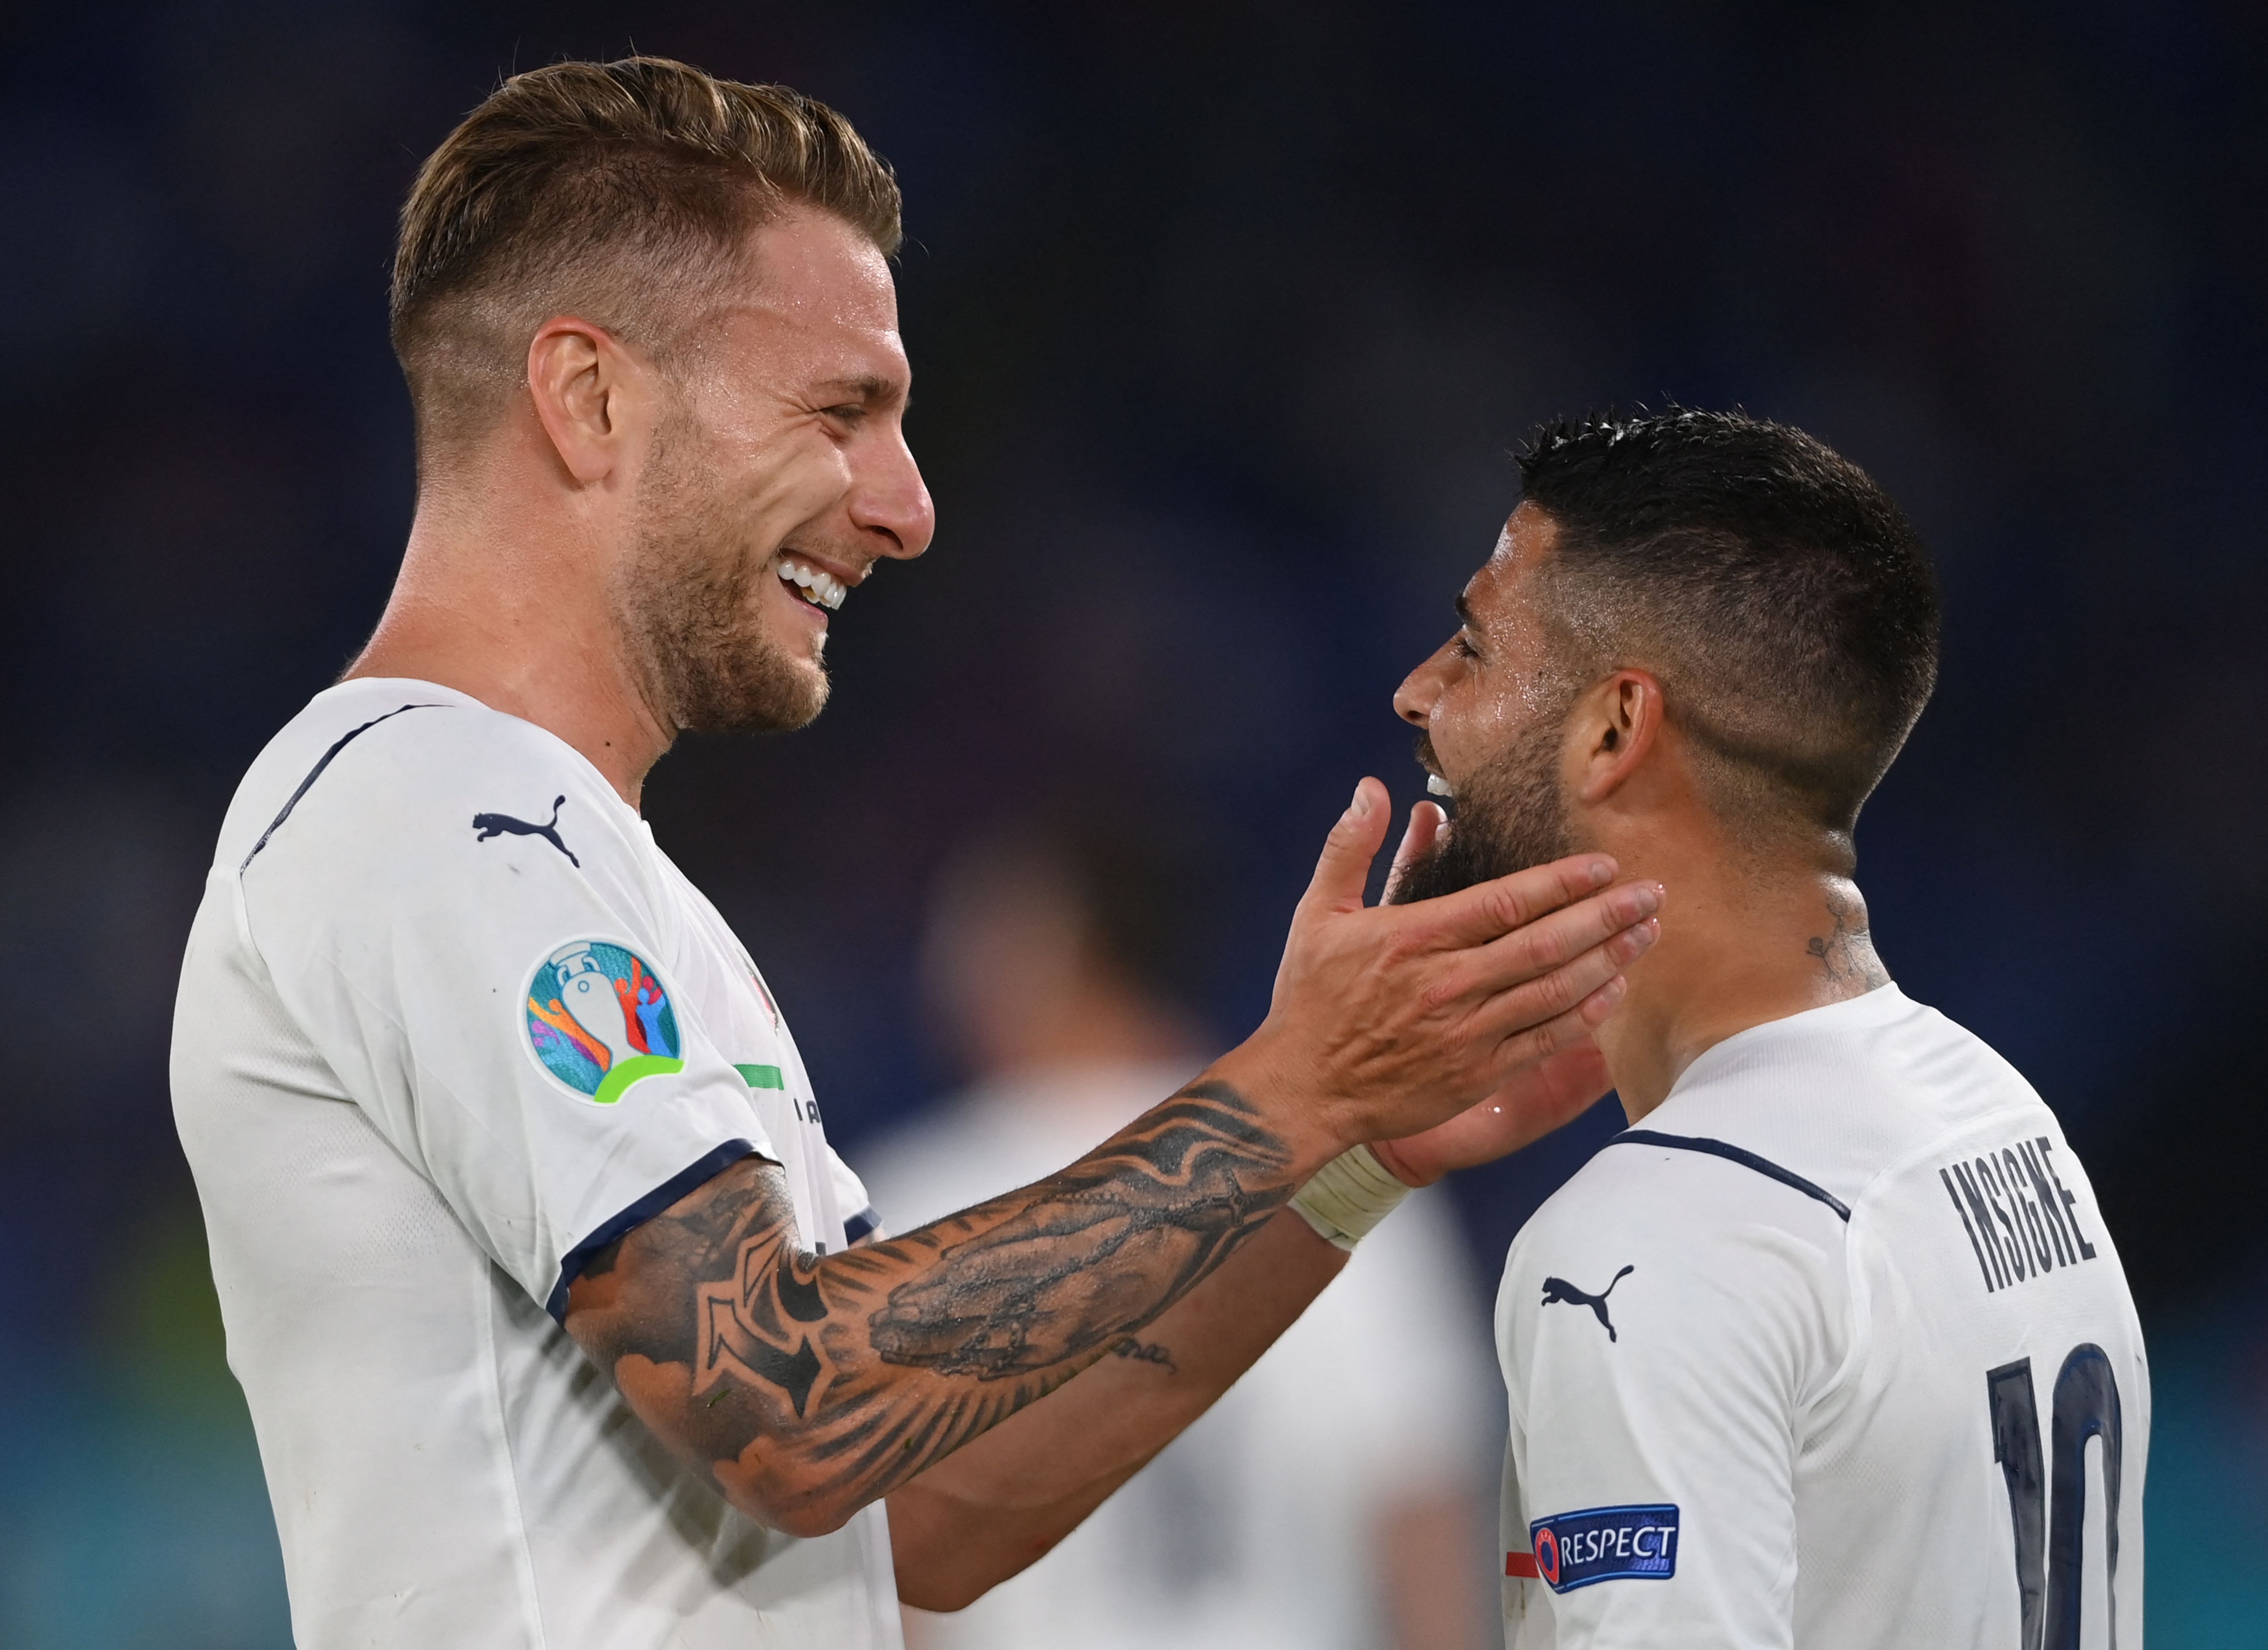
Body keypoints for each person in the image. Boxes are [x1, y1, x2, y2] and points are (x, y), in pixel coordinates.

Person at [167, 58, 1663, 1650]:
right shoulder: (426, 808)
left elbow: (922, 1517)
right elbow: (782, 1403)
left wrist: (1346, 1151)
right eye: (840, 412)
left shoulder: (591, 870)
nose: (907, 507)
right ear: (590, 398)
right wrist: (1293, 1085)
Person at [1387, 410, 2148, 1649]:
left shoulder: (1646, 1248)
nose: (1418, 691)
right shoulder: (2009, 1123)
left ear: (1616, 728)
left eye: (1473, 647)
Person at [865, 813, 1494, 1650]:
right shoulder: (1346, 1166)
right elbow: (1421, 1507)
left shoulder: (920, 1199)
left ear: (1050, 950)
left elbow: (878, 1564)